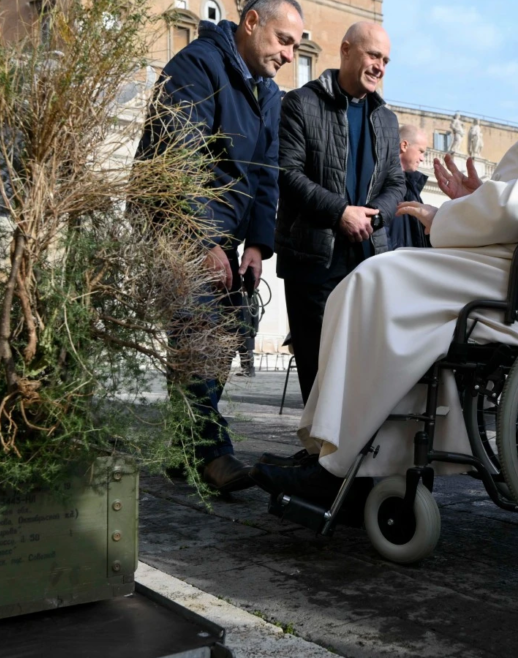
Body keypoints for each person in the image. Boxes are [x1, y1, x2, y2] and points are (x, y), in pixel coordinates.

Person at [251, 6, 518, 497]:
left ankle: (339, 467)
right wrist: (478, 200)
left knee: (378, 282)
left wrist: (448, 218)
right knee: (382, 285)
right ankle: (356, 457)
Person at [136, 0, 305, 494]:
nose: (290, 55)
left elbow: (265, 173)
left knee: (225, 333)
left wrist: (257, 243)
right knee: (197, 330)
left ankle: (183, 449)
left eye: (296, 45)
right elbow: (178, 157)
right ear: (251, 23)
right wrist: (202, 238)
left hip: (226, 229)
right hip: (177, 224)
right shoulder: (194, 66)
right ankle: (211, 452)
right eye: (283, 41)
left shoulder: (268, 92)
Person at [272, 22, 406, 409]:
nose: (379, 66)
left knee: (361, 369)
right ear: (346, 50)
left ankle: (348, 460)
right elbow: (287, 172)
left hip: (368, 260)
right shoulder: (300, 103)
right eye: (372, 55)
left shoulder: (386, 119)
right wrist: (339, 213)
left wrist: (372, 218)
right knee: (317, 368)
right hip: (313, 259)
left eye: (385, 59)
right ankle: (318, 457)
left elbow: (396, 184)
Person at [386, 124, 432, 250]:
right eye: (421, 151)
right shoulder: (381, 181)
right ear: (404, 145)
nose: (422, 159)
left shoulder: (412, 188)